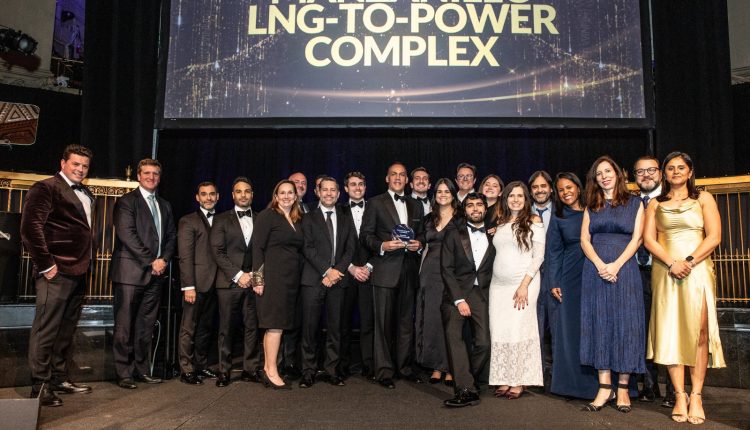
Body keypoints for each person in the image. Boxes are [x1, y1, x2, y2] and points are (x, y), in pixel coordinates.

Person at [644, 151, 724, 425]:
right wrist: (671, 263)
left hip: (697, 269)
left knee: (699, 332)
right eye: (670, 168)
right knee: (671, 333)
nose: (676, 171)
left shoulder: (704, 198)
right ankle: (680, 395)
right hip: (666, 270)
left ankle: (697, 395)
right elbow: (649, 240)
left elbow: (714, 237)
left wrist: (688, 262)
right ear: (664, 174)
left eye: (681, 167)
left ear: (690, 172)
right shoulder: (655, 203)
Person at [21, 144, 96, 406]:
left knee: (65, 330)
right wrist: (46, 265)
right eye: (76, 164)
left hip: (79, 270)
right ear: (63, 163)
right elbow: (30, 228)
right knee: (46, 329)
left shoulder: (86, 192)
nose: (80, 169)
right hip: (55, 271)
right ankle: (40, 386)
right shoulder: (45, 188)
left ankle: (58, 378)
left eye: (85, 166)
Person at [579, 155, 645, 413]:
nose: (604, 176)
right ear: (595, 180)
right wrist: (599, 265)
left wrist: (615, 265)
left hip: (624, 269)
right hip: (595, 271)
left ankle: (624, 388)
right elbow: (585, 240)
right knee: (599, 324)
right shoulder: (591, 205)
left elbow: (637, 239)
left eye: (608, 171)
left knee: (627, 325)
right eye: (599, 174)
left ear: (618, 174)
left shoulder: (636, 203)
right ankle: (605, 387)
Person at [111, 158, 177, 389]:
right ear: (139, 176)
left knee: (145, 326)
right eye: (147, 173)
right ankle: (124, 373)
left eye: (155, 173)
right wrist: (151, 261)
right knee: (124, 326)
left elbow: (171, 236)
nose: (151, 177)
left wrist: (164, 260)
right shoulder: (126, 202)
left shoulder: (165, 205)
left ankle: (142, 370)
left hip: (156, 275)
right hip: (130, 274)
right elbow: (127, 235)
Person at [360, 162, 425, 389]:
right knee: (383, 325)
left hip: (409, 270)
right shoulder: (375, 203)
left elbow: (422, 234)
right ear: (387, 178)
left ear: (407, 180)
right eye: (393, 174)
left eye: (402, 175)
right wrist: (382, 245)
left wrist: (420, 243)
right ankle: (384, 371)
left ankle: (405, 368)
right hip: (385, 270)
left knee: (406, 323)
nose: (398, 178)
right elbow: (365, 235)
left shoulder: (416, 205)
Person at [488, 181, 545, 399]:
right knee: (499, 330)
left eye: (520, 196)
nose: (515, 199)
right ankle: (503, 377)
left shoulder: (534, 221)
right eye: (511, 195)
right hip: (498, 286)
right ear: (505, 199)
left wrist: (524, 285)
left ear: (526, 199)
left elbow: (538, 256)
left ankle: (519, 380)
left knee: (518, 330)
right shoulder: (501, 222)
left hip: (524, 284)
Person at [299, 177, 356, 388]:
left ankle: (332, 370)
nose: (329, 193)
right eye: (325, 190)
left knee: (335, 329)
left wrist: (337, 271)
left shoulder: (346, 217)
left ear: (339, 194)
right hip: (313, 279)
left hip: (338, 280)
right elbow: (307, 248)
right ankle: (308, 371)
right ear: (317, 192)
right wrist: (327, 271)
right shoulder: (308, 218)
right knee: (310, 328)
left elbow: (350, 248)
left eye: (333, 190)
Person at [545, 172, 598, 399]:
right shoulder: (559, 217)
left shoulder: (595, 209)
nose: (565, 192)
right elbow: (554, 251)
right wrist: (554, 281)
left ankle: (605, 384)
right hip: (570, 276)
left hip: (597, 272)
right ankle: (574, 385)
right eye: (561, 190)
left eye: (569, 187)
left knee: (596, 327)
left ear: (578, 187)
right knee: (572, 329)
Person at [441, 193, 495, 407]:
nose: (475, 209)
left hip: (482, 295)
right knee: (455, 340)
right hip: (455, 295)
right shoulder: (453, 234)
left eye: (479, 205)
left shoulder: (495, 234)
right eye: (470, 205)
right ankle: (465, 389)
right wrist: (459, 299)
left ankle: (469, 380)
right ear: (465, 210)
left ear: (485, 209)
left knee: (484, 343)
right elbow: (446, 269)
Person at [252, 180, 305, 389]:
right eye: (282, 193)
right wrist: (258, 279)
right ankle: (271, 370)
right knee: (274, 325)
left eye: (290, 193)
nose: (286, 196)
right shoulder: (268, 216)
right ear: (275, 196)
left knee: (278, 325)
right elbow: (257, 248)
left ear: (295, 196)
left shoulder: (296, 218)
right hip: (273, 279)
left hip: (290, 280)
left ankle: (268, 367)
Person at [209, 177, 262, 387]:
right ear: (233, 195)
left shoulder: (261, 218)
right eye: (239, 191)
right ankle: (224, 371)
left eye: (247, 191)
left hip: (254, 283)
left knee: (252, 327)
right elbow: (218, 252)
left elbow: (264, 252)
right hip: (229, 283)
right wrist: (239, 275)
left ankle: (250, 369)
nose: (243, 195)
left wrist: (255, 278)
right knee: (226, 328)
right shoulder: (221, 219)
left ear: (252, 194)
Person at [632, 155, 675, 406]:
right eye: (640, 172)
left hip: (667, 271)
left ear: (660, 173)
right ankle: (649, 386)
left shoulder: (671, 200)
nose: (646, 175)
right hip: (637, 273)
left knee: (669, 328)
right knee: (642, 328)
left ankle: (673, 389)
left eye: (651, 170)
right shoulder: (630, 203)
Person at [415, 178, 459, 386]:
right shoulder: (428, 218)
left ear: (453, 194)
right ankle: (436, 366)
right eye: (439, 191)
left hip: (452, 272)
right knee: (432, 320)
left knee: (449, 320)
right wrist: (415, 244)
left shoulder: (461, 217)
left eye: (447, 191)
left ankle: (450, 367)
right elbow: (421, 241)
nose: (443, 195)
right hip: (430, 273)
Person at [177, 181, 219, 385]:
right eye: (204, 194)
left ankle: (201, 365)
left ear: (217, 197)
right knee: (189, 328)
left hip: (215, 283)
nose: (208, 198)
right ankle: (186, 369)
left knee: (205, 328)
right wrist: (189, 286)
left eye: (212, 194)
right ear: (197, 197)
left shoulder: (222, 220)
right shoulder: (188, 221)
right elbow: (185, 257)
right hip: (195, 284)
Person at [339, 171, 374, 379]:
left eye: (361, 184)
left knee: (368, 323)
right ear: (346, 188)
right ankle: (342, 366)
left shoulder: (375, 208)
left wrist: (368, 267)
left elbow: (381, 239)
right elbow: (335, 245)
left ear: (365, 187)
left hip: (369, 274)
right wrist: (351, 267)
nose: (357, 188)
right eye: (353, 184)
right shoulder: (339, 210)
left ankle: (369, 366)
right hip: (345, 273)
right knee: (342, 323)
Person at [528, 170, 556, 389]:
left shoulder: (562, 211)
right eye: (535, 187)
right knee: (533, 324)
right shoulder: (521, 213)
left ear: (551, 189)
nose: (539, 190)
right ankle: (535, 373)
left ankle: (558, 374)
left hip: (556, 275)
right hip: (531, 276)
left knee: (557, 326)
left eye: (543, 186)